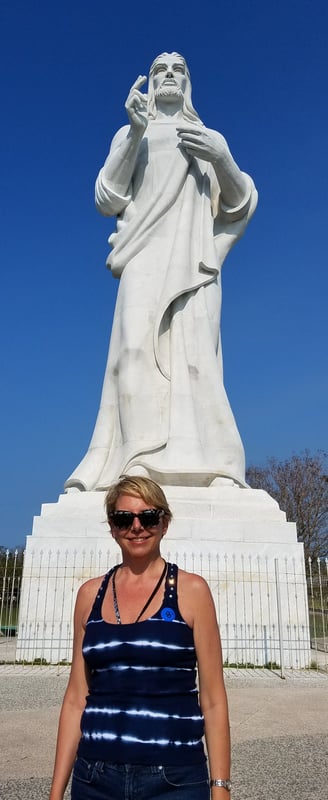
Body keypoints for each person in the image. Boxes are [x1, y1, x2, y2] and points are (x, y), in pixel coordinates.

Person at [64, 52, 257, 495]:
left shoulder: (207, 138)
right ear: (150, 82)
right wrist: (134, 132)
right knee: (134, 352)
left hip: (194, 261)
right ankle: (137, 462)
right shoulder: (133, 132)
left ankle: (217, 467)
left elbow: (239, 203)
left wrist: (222, 157)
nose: (169, 75)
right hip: (143, 258)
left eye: (179, 69)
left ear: (188, 83)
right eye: (160, 70)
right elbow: (107, 197)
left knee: (196, 360)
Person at [49, 475, 231, 800]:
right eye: (123, 518)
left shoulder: (192, 592)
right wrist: (55, 792)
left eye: (148, 517)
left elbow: (214, 700)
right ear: (112, 526)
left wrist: (220, 789)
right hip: (95, 777)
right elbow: (77, 698)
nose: (137, 527)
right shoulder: (89, 595)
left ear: (165, 522)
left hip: (173, 778)